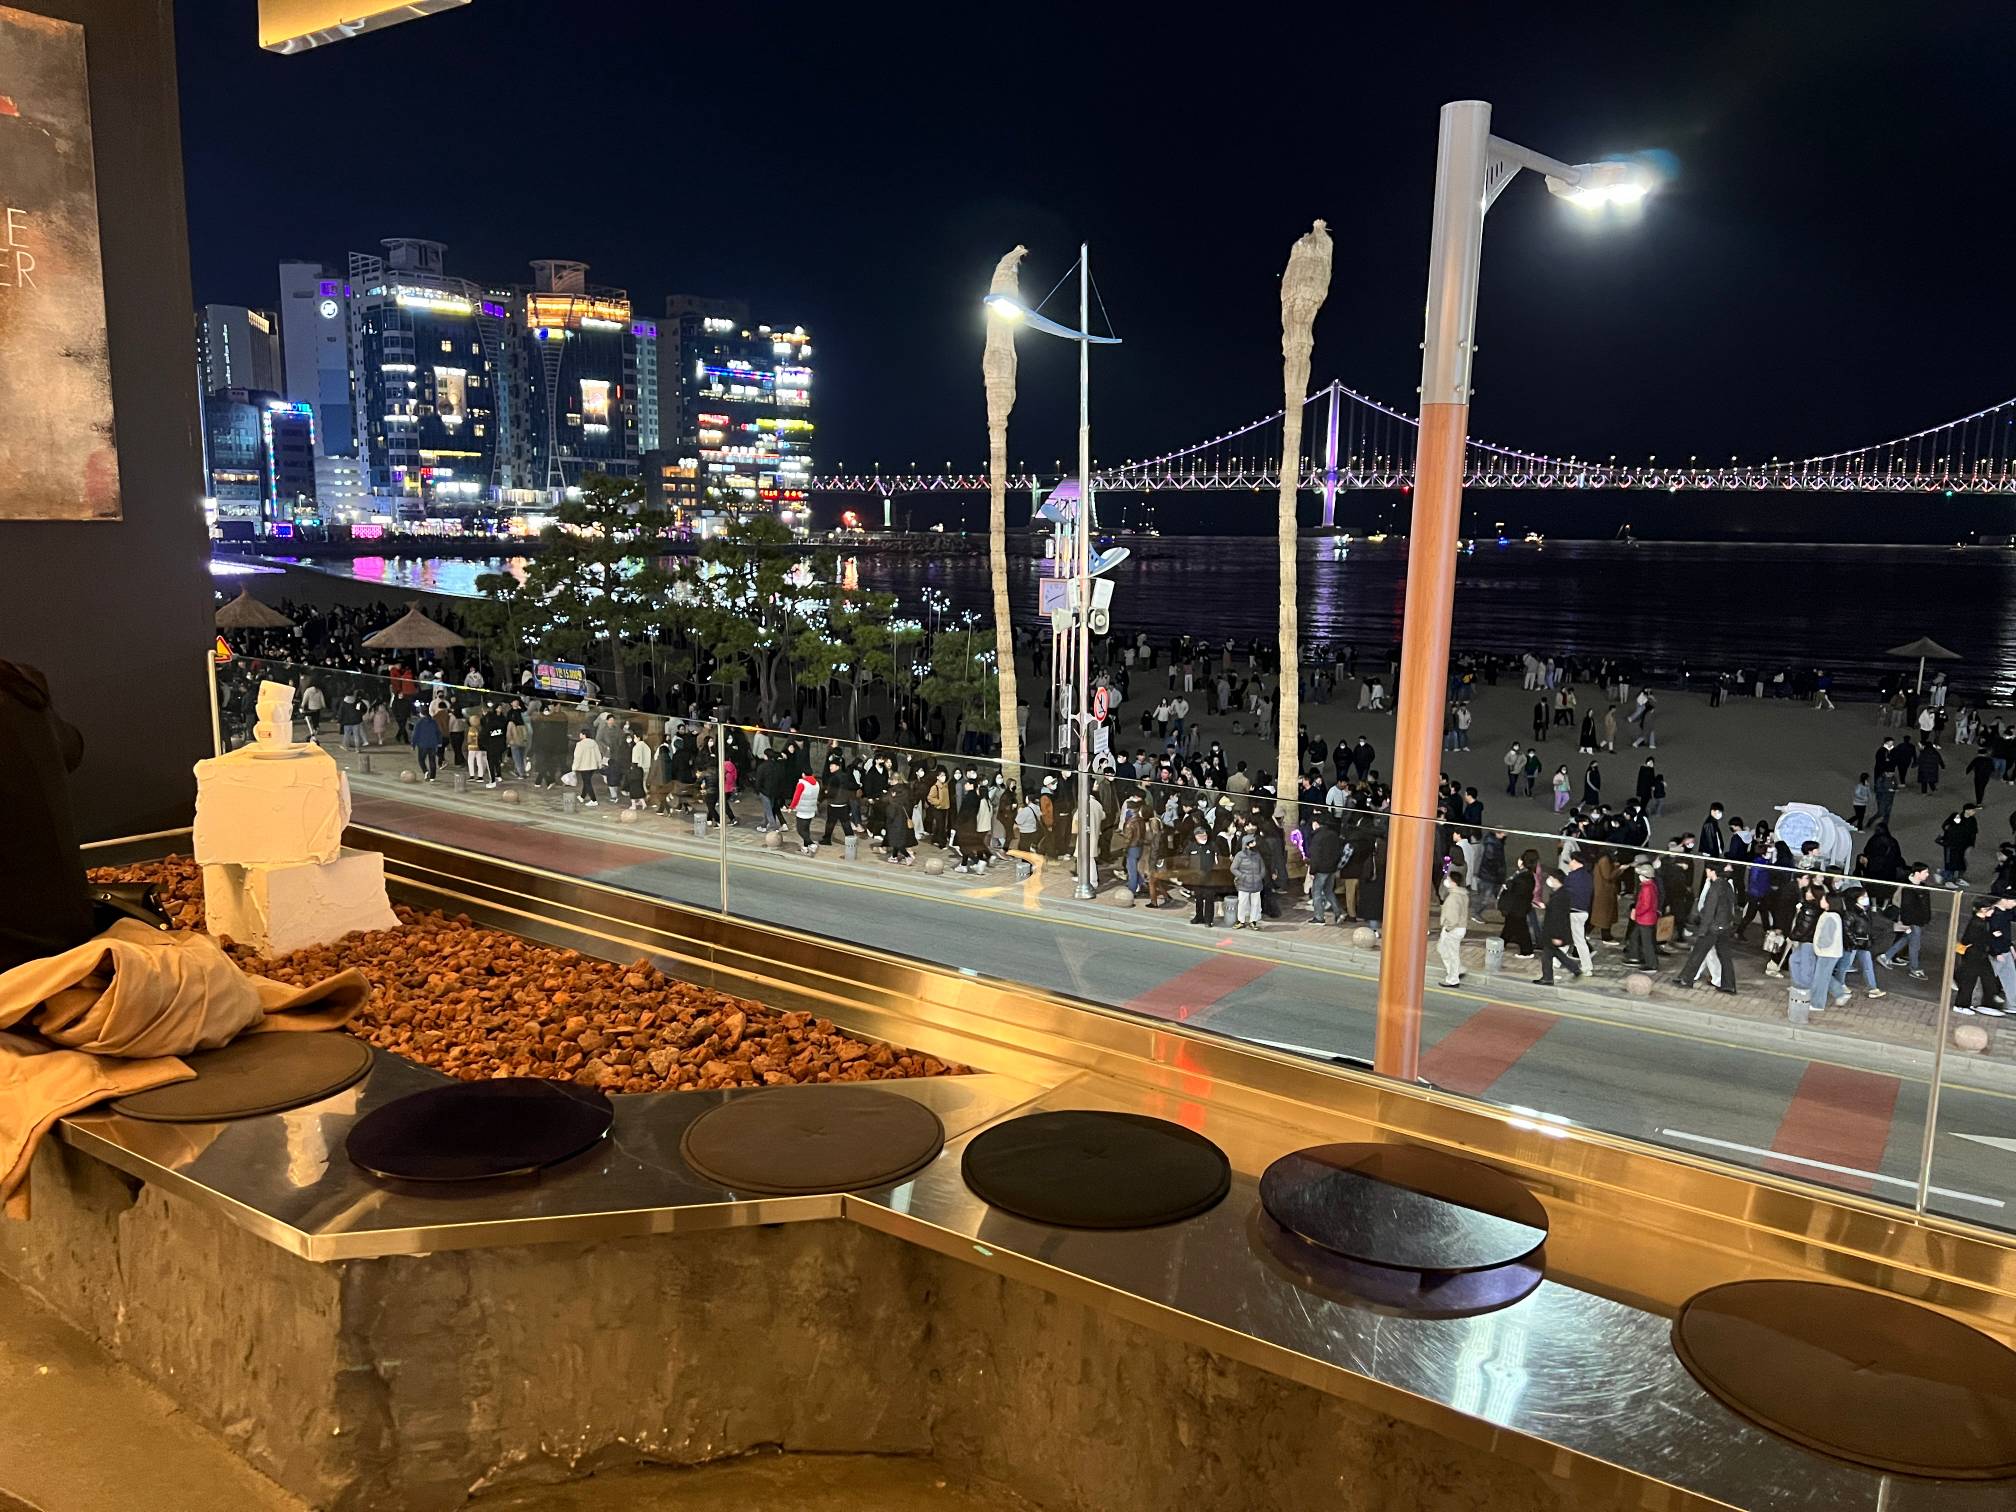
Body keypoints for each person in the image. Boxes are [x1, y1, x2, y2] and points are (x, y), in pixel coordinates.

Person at [1674, 862, 1738, 994]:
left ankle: (1686, 979)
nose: (1706, 872)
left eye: (1708, 870)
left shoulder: (1715, 887)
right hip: (1724, 926)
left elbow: (1709, 910)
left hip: (1713, 927)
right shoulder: (1727, 885)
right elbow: (1732, 905)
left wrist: (1702, 929)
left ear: (1713, 871)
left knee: (1698, 952)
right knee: (1725, 957)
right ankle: (1729, 985)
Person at [1878, 863, 1934, 978]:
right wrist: (1907, 922)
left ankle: (1886, 956)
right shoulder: (1907, 887)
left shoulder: (1919, 886)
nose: (1928, 875)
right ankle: (1914, 968)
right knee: (1914, 945)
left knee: (1907, 939)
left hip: (1915, 920)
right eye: (1925, 872)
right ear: (1917, 873)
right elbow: (1905, 906)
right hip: (1911, 921)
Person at [1535, 872, 1579, 985]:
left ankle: (1548, 978)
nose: (1549, 880)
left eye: (1551, 877)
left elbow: (1558, 917)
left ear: (1556, 880)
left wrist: (1557, 936)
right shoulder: (1560, 894)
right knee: (1551, 952)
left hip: (1554, 932)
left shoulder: (1560, 896)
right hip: (1552, 931)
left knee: (1548, 953)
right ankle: (1574, 969)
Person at [1306, 813, 1342, 925]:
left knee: (1316, 892)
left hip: (1320, 870)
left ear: (1316, 824)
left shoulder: (1317, 837)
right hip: (1331, 869)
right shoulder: (1333, 835)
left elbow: (1315, 856)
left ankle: (1319, 917)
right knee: (1328, 891)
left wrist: (1312, 871)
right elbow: (1338, 852)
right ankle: (1339, 913)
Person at [1623, 864, 1662, 968]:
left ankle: (1652, 964)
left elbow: (1645, 905)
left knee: (1647, 943)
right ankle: (1635, 956)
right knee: (1635, 937)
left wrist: (1636, 912)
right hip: (1646, 919)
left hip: (1645, 919)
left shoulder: (1647, 888)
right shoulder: (1651, 885)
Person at [1437, 868, 1470, 987]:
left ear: (1453, 882)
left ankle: (1453, 979)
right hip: (1459, 927)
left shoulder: (1453, 898)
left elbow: (1453, 918)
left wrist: (1448, 929)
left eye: (1448, 879)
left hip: (1453, 929)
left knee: (1451, 954)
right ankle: (1457, 970)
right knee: (1442, 949)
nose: (1446, 881)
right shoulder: (1462, 894)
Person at [1230, 834, 1267, 931]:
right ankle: (1241, 921)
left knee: (1255, 903)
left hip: (1256, 884)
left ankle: (1253, 921)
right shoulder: (1240, 855)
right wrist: (1243, 876)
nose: (1254, 844)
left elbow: (1262, 867)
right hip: (1244, 884)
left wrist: (1260, 877)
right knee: (1242, 903)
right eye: (1252, 842)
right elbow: (1233, 868)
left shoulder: (1257, 855)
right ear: (1246, 845)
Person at [1940, 803, 1980, 885]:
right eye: (1973, 810)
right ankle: (1948, 880)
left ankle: (1957, 878)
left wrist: (1971, 845)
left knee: (1959, 862)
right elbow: (1946, 826)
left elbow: (1973, 834)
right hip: (1951, 845)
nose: (1974, 812)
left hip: (1962, 845)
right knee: (1949, 862)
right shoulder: (1957, 817)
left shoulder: (1972, 820)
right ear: (1967, 811)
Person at [788, 767, 822, 854]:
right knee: (806, 829)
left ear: (803, 774)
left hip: (802, 811)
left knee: (800, 830)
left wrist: (791, 807)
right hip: (811, 810)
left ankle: (811, 843)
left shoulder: (802, 784)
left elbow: (796, 797)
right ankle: (805, 847)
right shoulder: (816, 783)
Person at [568, 727, 602, 805]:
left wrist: (574, 768)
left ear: (584, 735)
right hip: (593, 766)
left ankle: (594, 800)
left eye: (581, 734)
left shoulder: (580, 744)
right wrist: (599, 764)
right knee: (587, 781)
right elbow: (598, 754)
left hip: (584, 767)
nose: (579, 735)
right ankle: (582, 797)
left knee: (587, 783)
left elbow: (577, 757)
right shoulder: (594, 743)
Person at [411, 706, 444, 781]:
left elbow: (415, 734)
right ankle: (432, 777)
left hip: (422, 745)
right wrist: (439, 742)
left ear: (421, 713)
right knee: (432, 760)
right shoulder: (433, 722)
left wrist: (413, 744)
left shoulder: (419, 722)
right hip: (433, 744)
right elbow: (438, 732)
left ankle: (425, 771)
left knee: (421, 759)